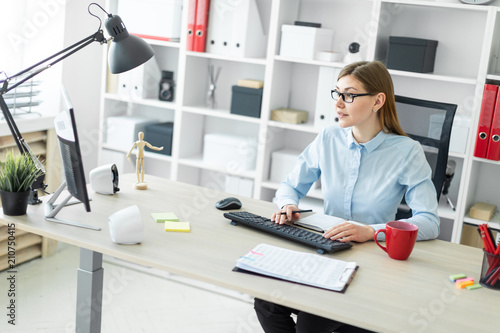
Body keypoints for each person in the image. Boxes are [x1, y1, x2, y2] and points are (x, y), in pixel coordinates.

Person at [254, 61, 439, 333]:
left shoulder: (407, 152)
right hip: (325, 251)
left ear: (378, 100)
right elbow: (288, 187)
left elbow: (429, 221)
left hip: (369, 262)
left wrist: (369, 231)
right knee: (266, 301)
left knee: (310, 321)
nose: (338, 103)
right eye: (337, 93)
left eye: (349, 95)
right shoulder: (329, 138)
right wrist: (287, 204)